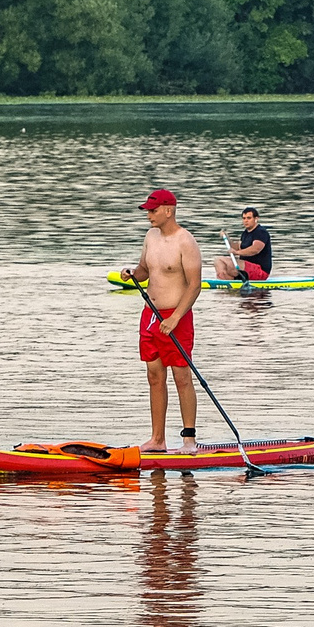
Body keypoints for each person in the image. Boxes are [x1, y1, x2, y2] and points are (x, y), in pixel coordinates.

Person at [114, 188, 202, 449]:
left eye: (153, 210)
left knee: (181, 376)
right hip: (150, 315)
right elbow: (144, 271)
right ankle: (158, 439)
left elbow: (195, 285)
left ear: (168, 210)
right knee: (154, 375)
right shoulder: (151, 236)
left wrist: (175, 317)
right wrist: (132, 274)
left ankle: (189, 440)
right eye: (147, 211)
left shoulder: (186, 241)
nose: (149, 215)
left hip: (177, 316)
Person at [212, 206, 273, 282]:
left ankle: (225, 283)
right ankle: (224, 283)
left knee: (222, 261)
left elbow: (255, 249)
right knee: (218, 261)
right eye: (244, 218)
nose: (246, 221)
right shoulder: (245, 233)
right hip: (246, 269)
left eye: (249, 218)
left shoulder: (261, 232)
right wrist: (227, 238)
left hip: (260, 271)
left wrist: (237, 253)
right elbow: (237, 247)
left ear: (256, 219)